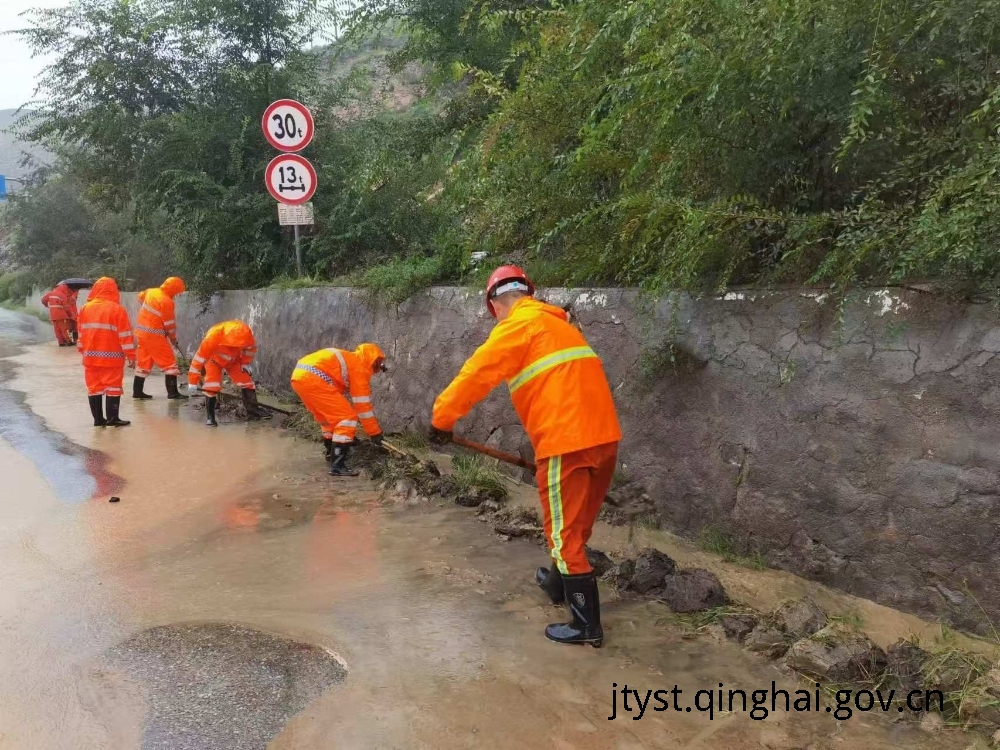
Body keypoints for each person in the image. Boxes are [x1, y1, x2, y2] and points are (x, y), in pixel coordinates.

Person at [430, 265, 622, 647]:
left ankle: (586, 626)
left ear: (495, 304)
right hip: (604, 439)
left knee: (563, 534)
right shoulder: (561, 326)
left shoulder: (517, 326)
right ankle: (556, 584)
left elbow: (474, 375)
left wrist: (441, 420)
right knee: (576, 525)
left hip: (564, 442)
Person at [290, 344, 387, 476]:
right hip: (314, 378)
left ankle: (331, 452)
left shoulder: (350, 359)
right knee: (347, 418)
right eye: (378, 363)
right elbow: (363, 407)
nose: (378, 368)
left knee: (327, 419)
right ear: (372, 360)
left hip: (299, 377)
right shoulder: (360, 368)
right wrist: (375, 433)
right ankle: (338, 466)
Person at [76, 277, 135, 427]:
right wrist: (131, 356)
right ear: (114, 291)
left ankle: (98, 420)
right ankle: (112, 419)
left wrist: (83, 350)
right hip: (112, 358)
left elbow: (81, 333)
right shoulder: (117, 309)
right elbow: (125, 336)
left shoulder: (85, 308)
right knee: (113, 387)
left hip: (90, 357)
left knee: (94, 388)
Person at [187, 320, 268, 426]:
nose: (237, 346)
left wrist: (245, 363)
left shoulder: (246, 335)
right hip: (213, 361)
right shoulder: (213, 336)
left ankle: (253, 411)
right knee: (212, 386)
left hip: (234, 361)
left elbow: (250, 349)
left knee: (247, 382)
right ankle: (210, 418)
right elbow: (198, 360)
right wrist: (192, 381)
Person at [133, 276, 187, 400]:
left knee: (143, 363)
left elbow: (140, 297)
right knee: (170, 363)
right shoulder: (167, 302)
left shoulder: (151, 291)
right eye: (177, 292)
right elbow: (169, 324)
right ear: (173, 289)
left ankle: (137, 392)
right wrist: (173, 338)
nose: (176, 295)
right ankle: (173, 393)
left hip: (141, 334)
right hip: (154, 336)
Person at [40, 282, 79, 347]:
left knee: (57, 329)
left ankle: (61, 343)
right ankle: (68, 342)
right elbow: (66, 308)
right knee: (65, 329)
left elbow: (43, 300)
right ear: (65, 289)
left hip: (53, 316)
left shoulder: (50, 293)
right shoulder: (62, 295)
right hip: (62, 316)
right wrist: (69, 315)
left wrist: (46, 305)